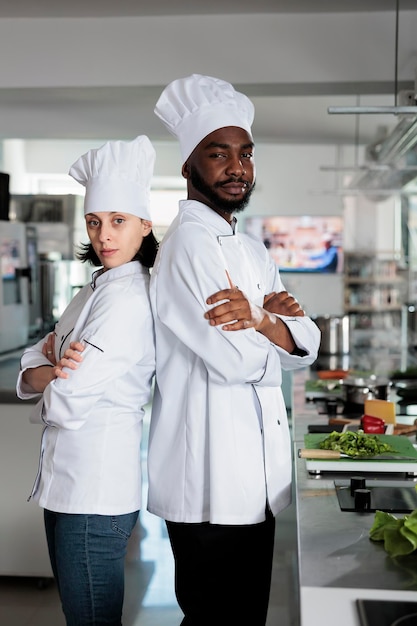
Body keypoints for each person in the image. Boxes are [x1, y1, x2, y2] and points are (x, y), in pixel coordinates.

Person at [147, 74, 321, 625]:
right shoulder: (187, 247)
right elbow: (238, 361)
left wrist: (263, 321)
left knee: (245, 615)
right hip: (208, 478)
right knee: (215, 616)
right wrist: (274, 333)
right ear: (188, 167)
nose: (236, 167)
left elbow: (306, 343)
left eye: (245, 153)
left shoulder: (249, 246)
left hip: (255, 479)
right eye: (218, 153)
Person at [16, 135, 158, 626]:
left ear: (145, 224)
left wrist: (49, 380)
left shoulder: (129, 298)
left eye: (118, 221)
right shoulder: (91, 290)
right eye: (95, 222)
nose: (105, 236)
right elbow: (40, 357)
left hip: (94, 493)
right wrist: (50, 372)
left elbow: (67, 398)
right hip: (63, 486)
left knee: (92, 621)